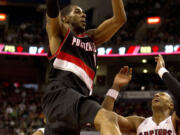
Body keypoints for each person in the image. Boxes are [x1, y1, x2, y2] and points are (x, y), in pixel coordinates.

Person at [43, 0, 127, 134]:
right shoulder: (59, 33)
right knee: (108, 118)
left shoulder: (91, 38)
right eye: (77, 12)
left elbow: (120, 19)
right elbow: (52, 14)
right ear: (64, 18)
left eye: (84, 13)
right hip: (61, 94)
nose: (83, 15)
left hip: (75, 104)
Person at [102, 54, 180, 134]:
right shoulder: (138, 123)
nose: (157, 95)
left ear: (171, 105)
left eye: (162, 95)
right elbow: (105, 117)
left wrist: (161, 70)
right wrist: (116, 87)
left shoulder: (175, 121)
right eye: (155, 95)